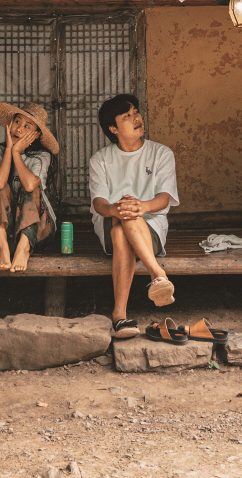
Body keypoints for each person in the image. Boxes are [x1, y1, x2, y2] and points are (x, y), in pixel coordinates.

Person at [89, 94, 179, 338]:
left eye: (136, 112)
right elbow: (99, 202)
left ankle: (120, 315)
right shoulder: (101, 159)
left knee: (123, 225)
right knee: (120, 219)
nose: (137, 118)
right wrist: (114, 210)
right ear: (113, 128)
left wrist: (141, 207)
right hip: (110, 222)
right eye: (127, 116)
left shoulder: (161, 153)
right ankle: (157, 275)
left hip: (151, 227)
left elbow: (164, 197)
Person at [0, 101, 58, 273]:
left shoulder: (41, 156)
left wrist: (17, 153)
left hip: (40, 230)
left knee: (29, 187)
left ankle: (23, 248)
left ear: (36, 135)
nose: (18, 129)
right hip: (7, 232)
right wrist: (10, 149)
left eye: (27, 126)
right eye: (17, 122)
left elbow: (31, 184)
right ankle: (3, 249)